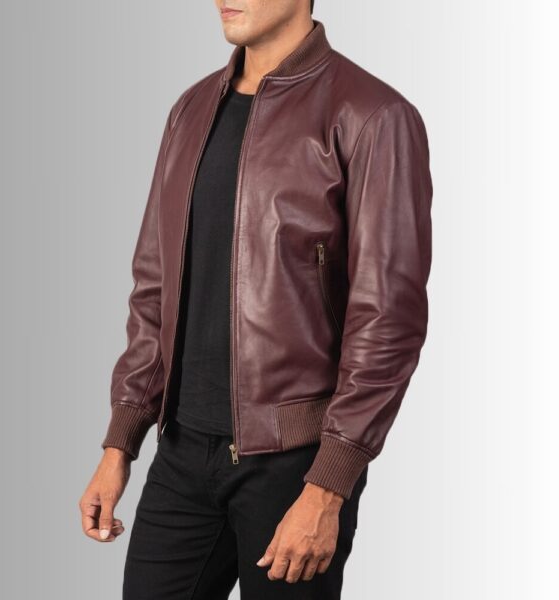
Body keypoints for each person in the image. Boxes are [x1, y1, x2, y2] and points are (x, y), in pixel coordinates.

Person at [79, 1, 433, 598]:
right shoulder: (190, 110)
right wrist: (121, 441)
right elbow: (154, 285)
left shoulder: (372, 115)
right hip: (182, 451)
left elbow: (388, 320)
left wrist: (329, 485)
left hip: (295, 464)